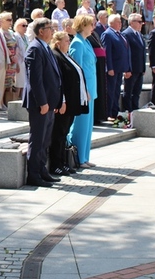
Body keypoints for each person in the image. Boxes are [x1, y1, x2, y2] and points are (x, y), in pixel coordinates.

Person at [23, 18, 63, 187]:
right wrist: (43, 102)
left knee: (45, 140)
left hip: (49, 103)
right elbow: (35, 80)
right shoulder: (34, 48)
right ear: (41, 31)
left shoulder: (45, 47)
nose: (53, 31)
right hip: (40, 104)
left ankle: (42, 170)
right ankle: (33, 175)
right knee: (37, 139)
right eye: (49, 28)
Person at [49, 30, 88, 175]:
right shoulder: (56, 56)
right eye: (66, 40)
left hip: (72, 101)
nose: (69, 43)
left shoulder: (66, 55)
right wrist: (62, 101)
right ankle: (55, 163)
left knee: (64, 132)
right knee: (58, 133)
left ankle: (63, 162)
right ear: (58, 43)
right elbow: (59, 81)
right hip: (63, 102)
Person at [68, 14, 98, 168]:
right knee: (81, 124)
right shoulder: (77, 43)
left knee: (88, 125)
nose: (93, 27)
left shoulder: (86, 42)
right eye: (90, 24)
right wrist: (83, 90)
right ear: (83, 25)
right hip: (83, 91)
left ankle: (85, 157)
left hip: (91, 89)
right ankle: (78, 158)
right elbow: (76, 69)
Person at [100, 14, 131, 119]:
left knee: (117, 91)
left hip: (120, 68)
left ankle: (115, 111)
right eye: (118, 22)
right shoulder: (107, 34)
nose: (120, 24)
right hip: (113, 69)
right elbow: (107, 52)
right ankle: (108, 113)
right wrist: (109, 67)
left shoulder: (120, 34)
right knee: (110, 91)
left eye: (120, 22)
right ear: (111, 23)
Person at [121, 14, 145, 112]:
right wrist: (127, 69)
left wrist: (143, 67)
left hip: (139, 68)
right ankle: (128, 110)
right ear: (132, 22)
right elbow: (126, 53)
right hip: (131, 68)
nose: (141, 24)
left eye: (141, 22)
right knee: (129, 91)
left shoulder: (139, 34)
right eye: (139, 22)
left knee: (137, 91)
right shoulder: (126, 34)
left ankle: (135, 108)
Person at [13, 18, 29, 98]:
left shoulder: (26, 37)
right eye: (23, 26)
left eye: (26, 25)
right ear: (18, 26)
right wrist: (16, 64)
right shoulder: (15, 36)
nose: (25, 27)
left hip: (25, 62)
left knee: (24, 84)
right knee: (18, 84)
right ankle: (15, 101)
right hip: (19, 62)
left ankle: (22, 100)